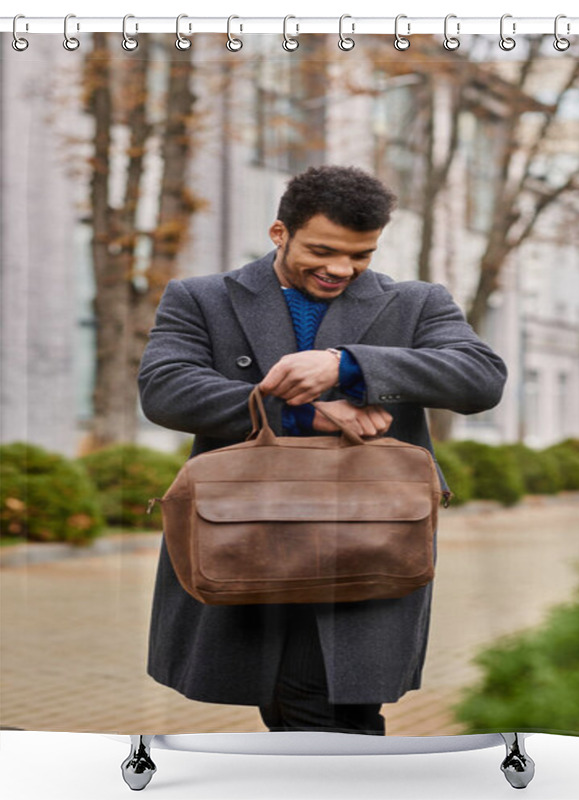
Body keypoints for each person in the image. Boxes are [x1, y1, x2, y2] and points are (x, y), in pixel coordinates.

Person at [138, 165, 507, 735]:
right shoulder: (201, 298)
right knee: (297, 708)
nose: (341, 269)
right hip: (244, 535)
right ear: (279, 232)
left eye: (361, 255)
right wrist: (303, 410)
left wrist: (347, 364)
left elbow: (480, 378)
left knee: (323, 706)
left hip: (370, 540)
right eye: (323, 250)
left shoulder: (416, 303)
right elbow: (165, 390)